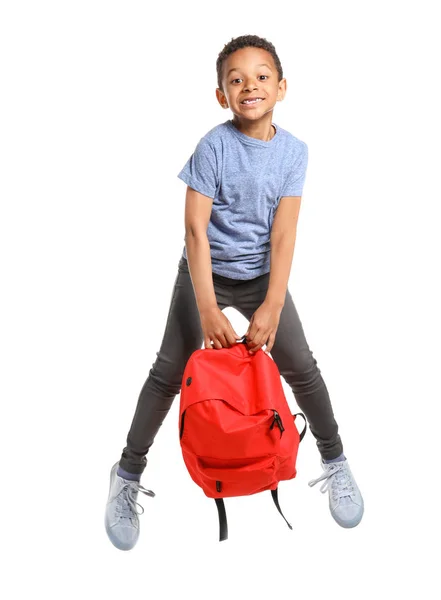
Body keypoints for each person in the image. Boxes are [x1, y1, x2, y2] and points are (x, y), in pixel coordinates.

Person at [105, 34, 364, 551]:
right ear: (222, 95)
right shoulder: (214, 146)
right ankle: (127, 473)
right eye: (236, 79)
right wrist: (205, 305)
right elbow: (195, 231)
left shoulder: (295, 151)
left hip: (261, 278)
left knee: (303, 368)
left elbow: (285, 232)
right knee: (168, 373)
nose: (250, 86)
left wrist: (271, 302)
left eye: (262, 76)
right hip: (205, 273)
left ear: (282, 87)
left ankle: (335, 460)